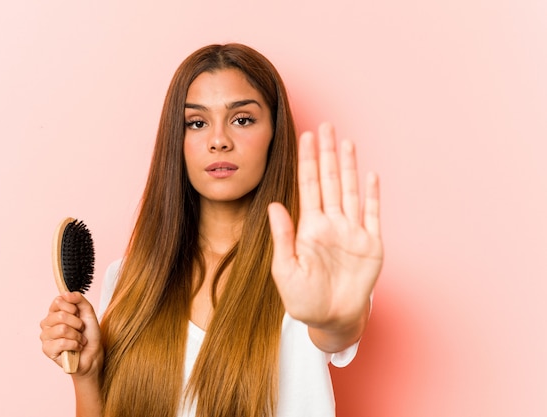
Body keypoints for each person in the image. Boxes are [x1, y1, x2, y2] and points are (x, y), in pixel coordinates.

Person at [40, 43, 383, 417]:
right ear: (178, 140)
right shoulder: (127, 280)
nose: (218, 140)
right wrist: (87, 375)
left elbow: (336, 327)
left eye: (242, 119)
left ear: (275, 134)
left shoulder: (311, 275)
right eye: (197, 123)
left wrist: (336, 317)